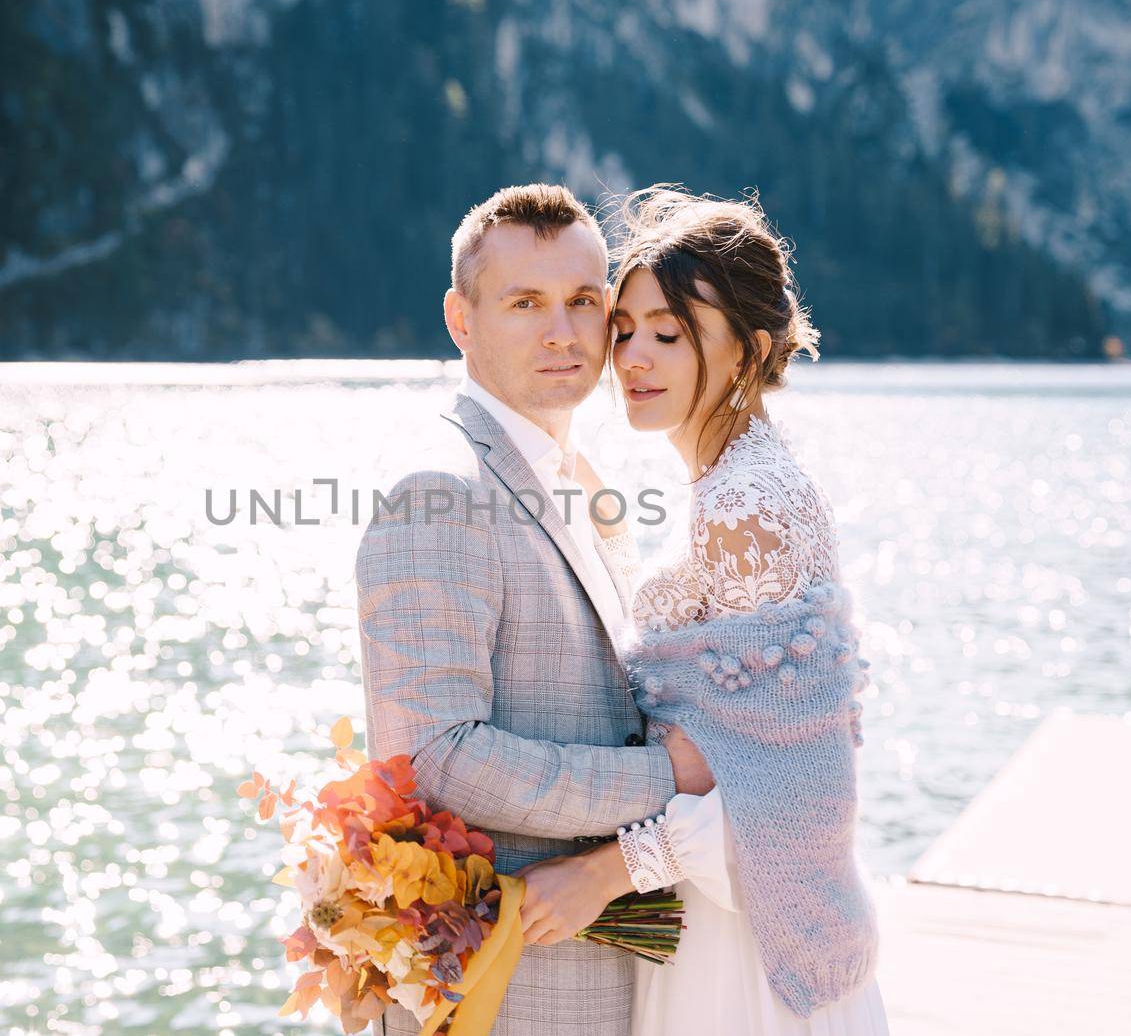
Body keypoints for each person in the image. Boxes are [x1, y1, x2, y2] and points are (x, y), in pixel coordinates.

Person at [515, 186, 890, 1035]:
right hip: (725, 914)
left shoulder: (745, 504)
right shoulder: (737, 479)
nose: (633, 358)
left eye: (670, 333)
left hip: (746, 955)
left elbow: (794, 793)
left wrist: (604, 873)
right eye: (627, 329)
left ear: (751, 351)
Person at [354, 183, 713, 1035]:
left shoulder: (588, 481)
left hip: (611, 977)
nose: (563, 332)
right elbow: (439, 759)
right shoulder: (437, 491)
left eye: (583, 301)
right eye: (526, 303)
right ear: (461, 318)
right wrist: (670, 777)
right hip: (509, 994)